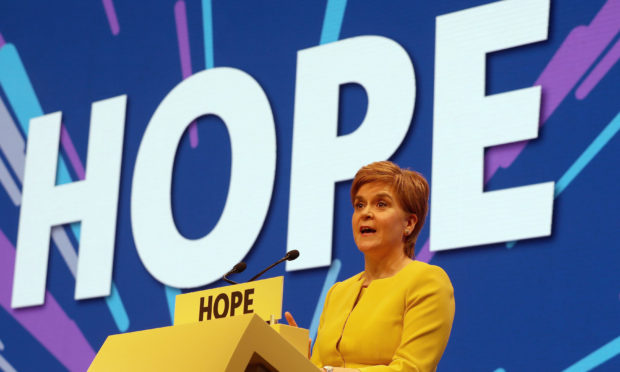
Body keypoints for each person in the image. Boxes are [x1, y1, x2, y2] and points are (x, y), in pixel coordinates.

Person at [285, 161, 455, 372]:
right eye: (359, 205)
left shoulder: (427, 281)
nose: (366, 213)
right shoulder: (337, 293)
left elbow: (411, 368)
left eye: (381, 204)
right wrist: (299, 362)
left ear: (409, 224)